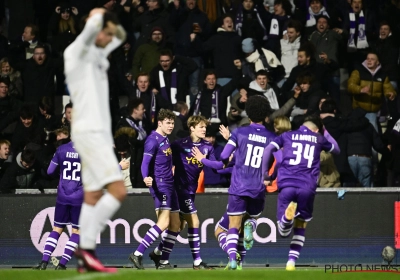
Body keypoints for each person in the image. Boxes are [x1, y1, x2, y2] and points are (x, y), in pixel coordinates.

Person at [63, 8, 127, 273]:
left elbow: (121, 36)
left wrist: (110, 17)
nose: (110, 37)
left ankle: (84, 258)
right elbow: (92, 30)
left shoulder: (99, 53)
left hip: (96, 132)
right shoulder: (75, 51)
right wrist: (98, 14)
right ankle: (86, 248)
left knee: (91, 195)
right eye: (106, 32)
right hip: (89, 131)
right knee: (118, 191)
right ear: (96, 28)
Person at [261, 116, 340, 271]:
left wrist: (267, 175)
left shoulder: (287, 136)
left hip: (287, 185)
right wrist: (325, 131)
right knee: (301, 225)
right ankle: (291, 262)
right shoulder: (318, 138)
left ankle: (286, 218)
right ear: (315, 130)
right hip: (307, 187)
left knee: (283, 231)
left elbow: (269, 150)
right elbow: (336, 149)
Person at [149, 115, 222, 269]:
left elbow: (217, 166)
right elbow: (163, 158)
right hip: (178, 189)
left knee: (178, 227)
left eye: (205, 127)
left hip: (191, 190)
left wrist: (203, 159)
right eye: (201, 127)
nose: (204, 129)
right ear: (192, 128)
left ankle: (158, 253)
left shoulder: (207, 146)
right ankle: (197, 262)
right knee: (194, 221)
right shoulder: (179, 145)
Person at [218, 95, 276, 270]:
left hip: (239, 187)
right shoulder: (272, 137)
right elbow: (276, 160)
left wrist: (232, 146)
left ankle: (234, 260)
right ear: (266, 115)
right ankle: (252, 225)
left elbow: (222, 157)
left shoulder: (239, 132)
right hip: (258, 188)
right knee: (250, 221)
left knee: (233, 227)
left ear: (248, 113)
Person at [128, 109, 177, 270]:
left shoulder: (165, 138)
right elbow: (144, 163)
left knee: (176, 225)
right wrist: (145, 177)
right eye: (168, 123)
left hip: (170, 185)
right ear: (160, 123)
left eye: (172, 122)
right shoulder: (152, 140)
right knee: (163, 223)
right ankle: (138, 253)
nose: (171, 125)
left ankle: (158, 255)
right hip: (160, 186)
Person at [33, 139, 83, 270]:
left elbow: (50, 171)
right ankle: (62, 264)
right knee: (77, 231)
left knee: (56, 229)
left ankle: (44, 262)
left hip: (62, 195)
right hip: (78, 197)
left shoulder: (61, 149)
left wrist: (62, 176)